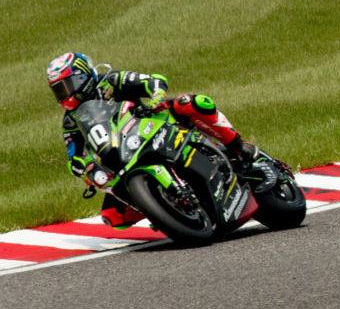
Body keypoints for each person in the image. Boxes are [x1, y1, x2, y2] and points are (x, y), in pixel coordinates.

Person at [48, 52, 259, 229]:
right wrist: (79, 166)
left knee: (192, 103)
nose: (66, 94)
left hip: (154, 122)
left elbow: (154, 81)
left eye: (68, 85)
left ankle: (239, 146)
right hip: (124, 152)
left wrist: (157, 95)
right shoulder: (71, 119)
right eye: (59, 89)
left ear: (83, 76)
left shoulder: (111, 81)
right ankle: (165, 208)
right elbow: (72, 152)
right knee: (113, 216)